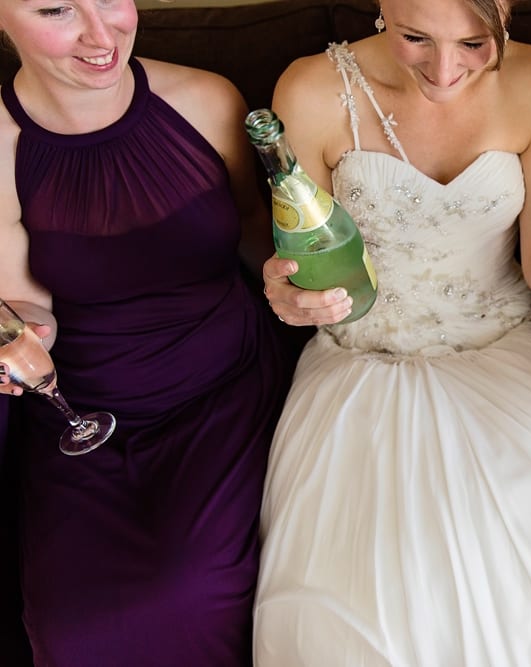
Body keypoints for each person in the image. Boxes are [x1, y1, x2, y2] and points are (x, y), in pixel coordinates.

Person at [252, 0, 531, 664]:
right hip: (361, 362)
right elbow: (302, 259)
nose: (444, 70)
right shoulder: (310, 90)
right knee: (359, 577)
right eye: (416, 38)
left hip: (509, 351)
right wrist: (292, 296)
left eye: (475, 42)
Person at [0, 1, 294, 664]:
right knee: (72, 631)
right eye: (55, 8)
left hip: (223, 386)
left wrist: (293, 287)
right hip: (82, 412)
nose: (102, 35)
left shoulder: (207, 99)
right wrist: (15, 335)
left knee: (197, 587)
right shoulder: (0, 143)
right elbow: (26, 305)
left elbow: (254, 230)